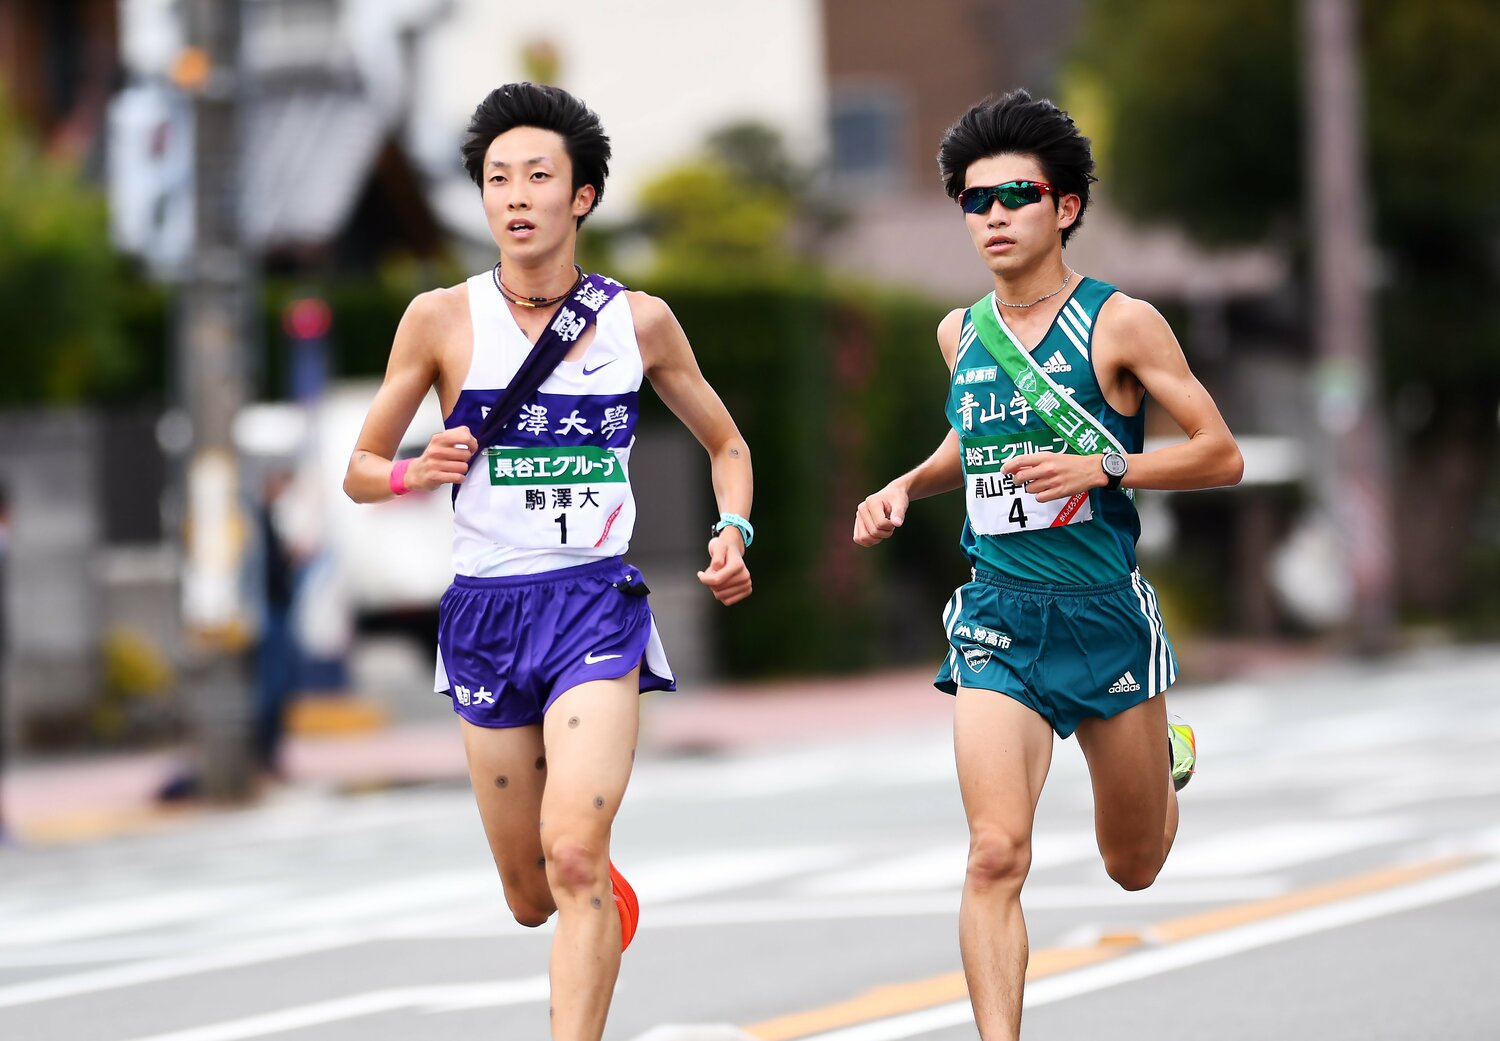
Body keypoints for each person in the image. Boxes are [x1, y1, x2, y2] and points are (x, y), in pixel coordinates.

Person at [342, 83, 752, 1041]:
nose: (515, 195)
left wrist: (735, 530)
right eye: (496, 179)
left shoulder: (638, 322)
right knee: (534, 893)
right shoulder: (439, 319)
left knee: (570, 851)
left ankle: (586, 902)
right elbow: (360, 469)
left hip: (594, 608)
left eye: (537, 175)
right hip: (484, 615)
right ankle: (595, 900)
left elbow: (727, 445)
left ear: (584, 196)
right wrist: (414, 472)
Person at [853, 89, 1242, 1040]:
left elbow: (1219, 452)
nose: (992, 217)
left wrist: (1105, 462)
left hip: (1104, 614)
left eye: (1014, 195)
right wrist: (905, 483)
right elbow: (970, 447)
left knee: (1133, 864)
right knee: (994, 852)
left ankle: (1165, 751)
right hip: (999, 615)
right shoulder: (960, 333)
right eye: (974, 201)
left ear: (1064, 206)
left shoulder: (1123, 323)